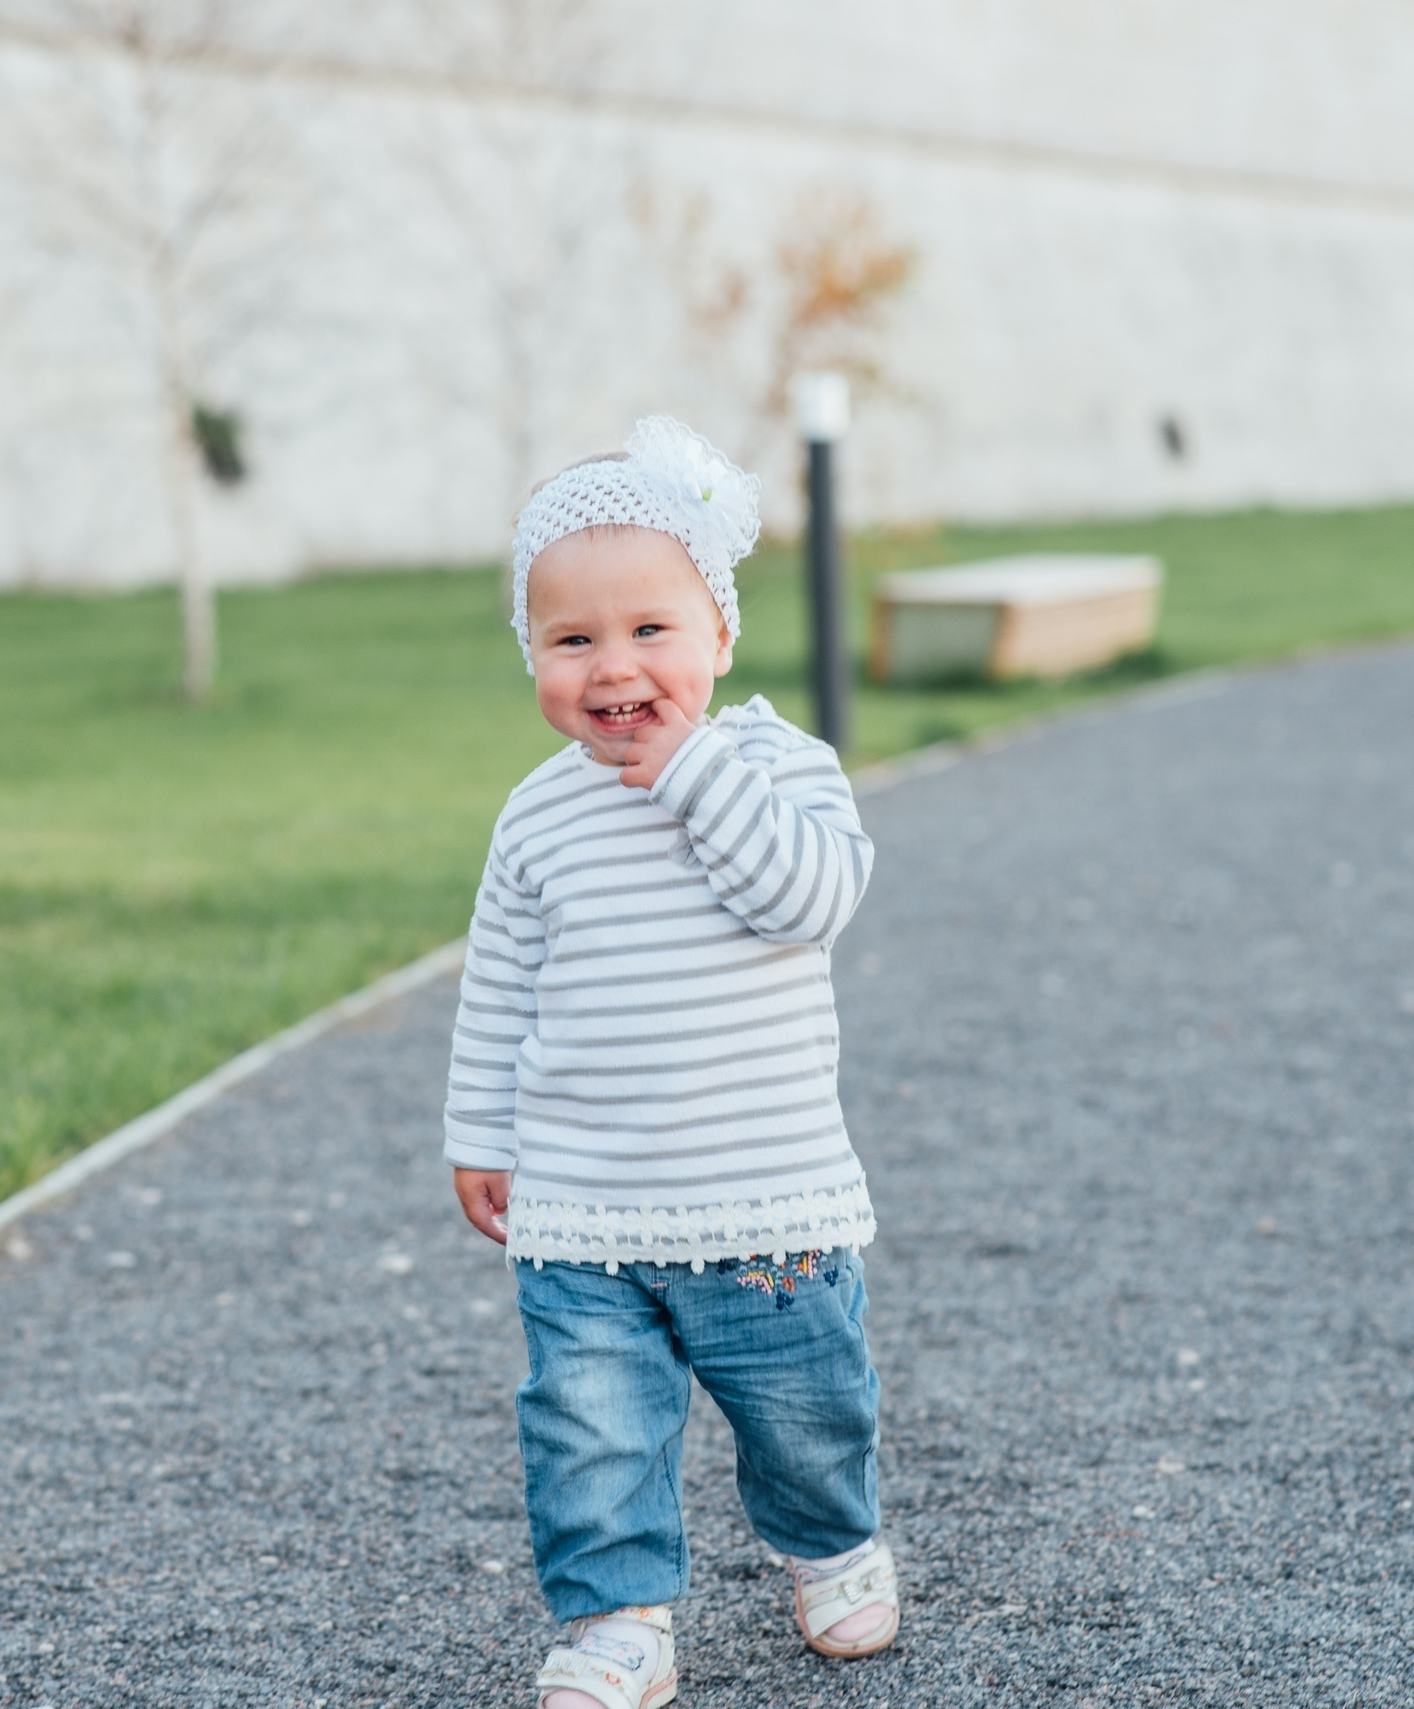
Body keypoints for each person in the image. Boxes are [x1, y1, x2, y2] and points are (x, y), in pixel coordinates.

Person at [444, 418, 899, 1709]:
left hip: (764, 1198)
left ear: (722, 637)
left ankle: (832, 1541)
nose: (615, 668)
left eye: (652, 630)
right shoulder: (539, 813)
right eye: (571, 639)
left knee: (806, 1411)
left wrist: (695, 770)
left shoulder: (777, 767)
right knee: (589, 1427)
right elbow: (499, 987)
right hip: (585, 1200)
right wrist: (480, 1129)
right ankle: (616, 1616)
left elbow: (805, 900)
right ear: (531, 655)